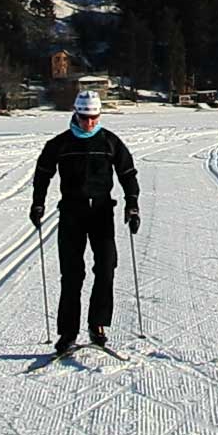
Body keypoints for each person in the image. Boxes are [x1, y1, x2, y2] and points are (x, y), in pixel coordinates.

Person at [30, 90, 139, 353]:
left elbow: (128, 173)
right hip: (71, 213)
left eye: (93, 117)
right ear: (75, 114)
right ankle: (68, 333)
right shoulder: (60, 144)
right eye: (84, 117)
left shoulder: (110, 142)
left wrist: (132, 205)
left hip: (102, 213)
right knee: (72, 274)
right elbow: (42, 173)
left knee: (106, 267)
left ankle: (97, 324)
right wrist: (38, 203)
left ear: (99, 115)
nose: (89, 122)